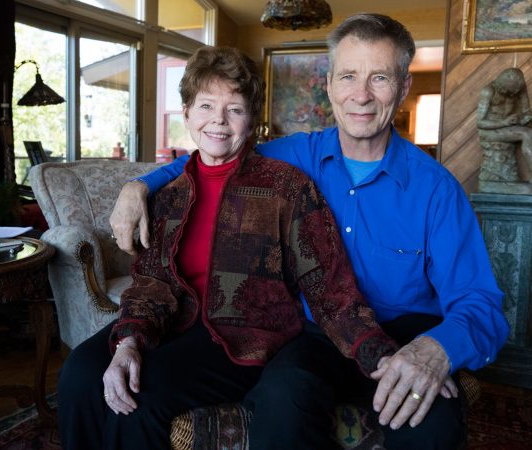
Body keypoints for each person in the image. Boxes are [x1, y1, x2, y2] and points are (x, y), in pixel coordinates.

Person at [110, 13, 509, 449]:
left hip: (406, 335)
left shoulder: (436, 190)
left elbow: (481, 304)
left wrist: (437, 350)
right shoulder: (292, 157)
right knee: (281, 400)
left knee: (431, 423)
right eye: (348, 76)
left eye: (379, 78)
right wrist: (138, 186)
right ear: (330, 84)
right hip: (317, 335)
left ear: (402, 87)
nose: (361, 94)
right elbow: (216, 153)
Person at [59, 45, 400, 450]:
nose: (219, 120)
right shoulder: (167, 196)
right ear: (187, 114)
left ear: (251, 120)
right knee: (79, 374)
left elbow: (329, 287)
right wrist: (129, 341)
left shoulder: (287, 187)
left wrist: (377, 353)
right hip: (173, 324)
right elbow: (152, 284)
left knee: (137, 397)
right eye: (206, 106)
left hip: (245, 338)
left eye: (234, 109)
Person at [476, 67, 532, 183]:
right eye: (507, 91)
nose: (512, 94)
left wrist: (522, 120)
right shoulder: (488, 91)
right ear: (501, 85)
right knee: (527, 134)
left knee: (528, 132)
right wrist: (504, 122)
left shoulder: (519, 88)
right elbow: (480, 122)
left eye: (514, 93)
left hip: (508, 126)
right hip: (489, 130)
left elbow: (527, 112)